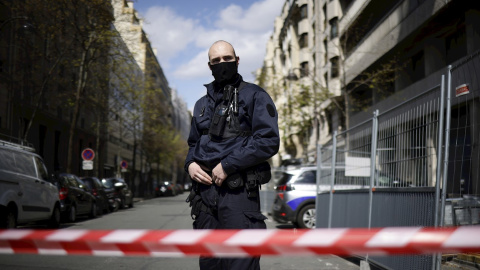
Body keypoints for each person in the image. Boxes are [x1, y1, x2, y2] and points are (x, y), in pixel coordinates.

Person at [185, 40, 280, 270]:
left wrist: (228, 165)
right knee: (210, 263)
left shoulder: (254, 95)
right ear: (209, 66)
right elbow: (192, 144)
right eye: (216, 61)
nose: (222, 64)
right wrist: (190, 164)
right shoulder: (200, 105)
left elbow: (268, 141)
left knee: (240, 263)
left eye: (227, 59)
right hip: (206, 198)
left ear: (237, 61)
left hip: (238, 196)